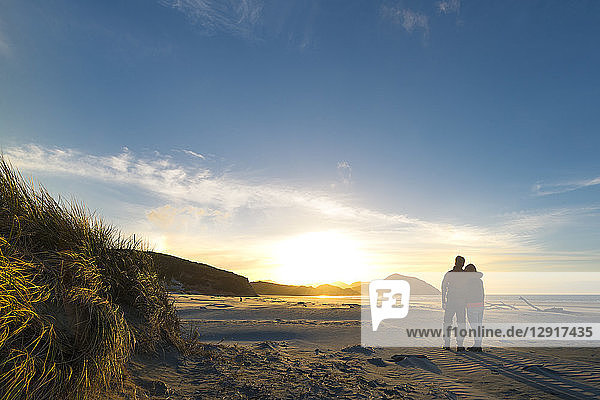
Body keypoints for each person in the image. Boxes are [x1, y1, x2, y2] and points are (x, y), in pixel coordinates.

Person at [441, 255, 467, 351]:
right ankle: (458, 344)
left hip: (453, 301)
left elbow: (444, 287)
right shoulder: (464, 274)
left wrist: (443, 300)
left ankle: (448, 344)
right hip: (458, 301)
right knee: (460, 323)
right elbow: (444, 287)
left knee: (449, 323)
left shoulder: (450, 274)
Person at [464, 263, 484, 352]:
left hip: (472, 305)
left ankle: (477, 345)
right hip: (480, 305)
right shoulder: (479, 281)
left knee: (474, 326)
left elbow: (467, 293)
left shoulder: (468, 281)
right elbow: (482, 294)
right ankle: (478, 345)